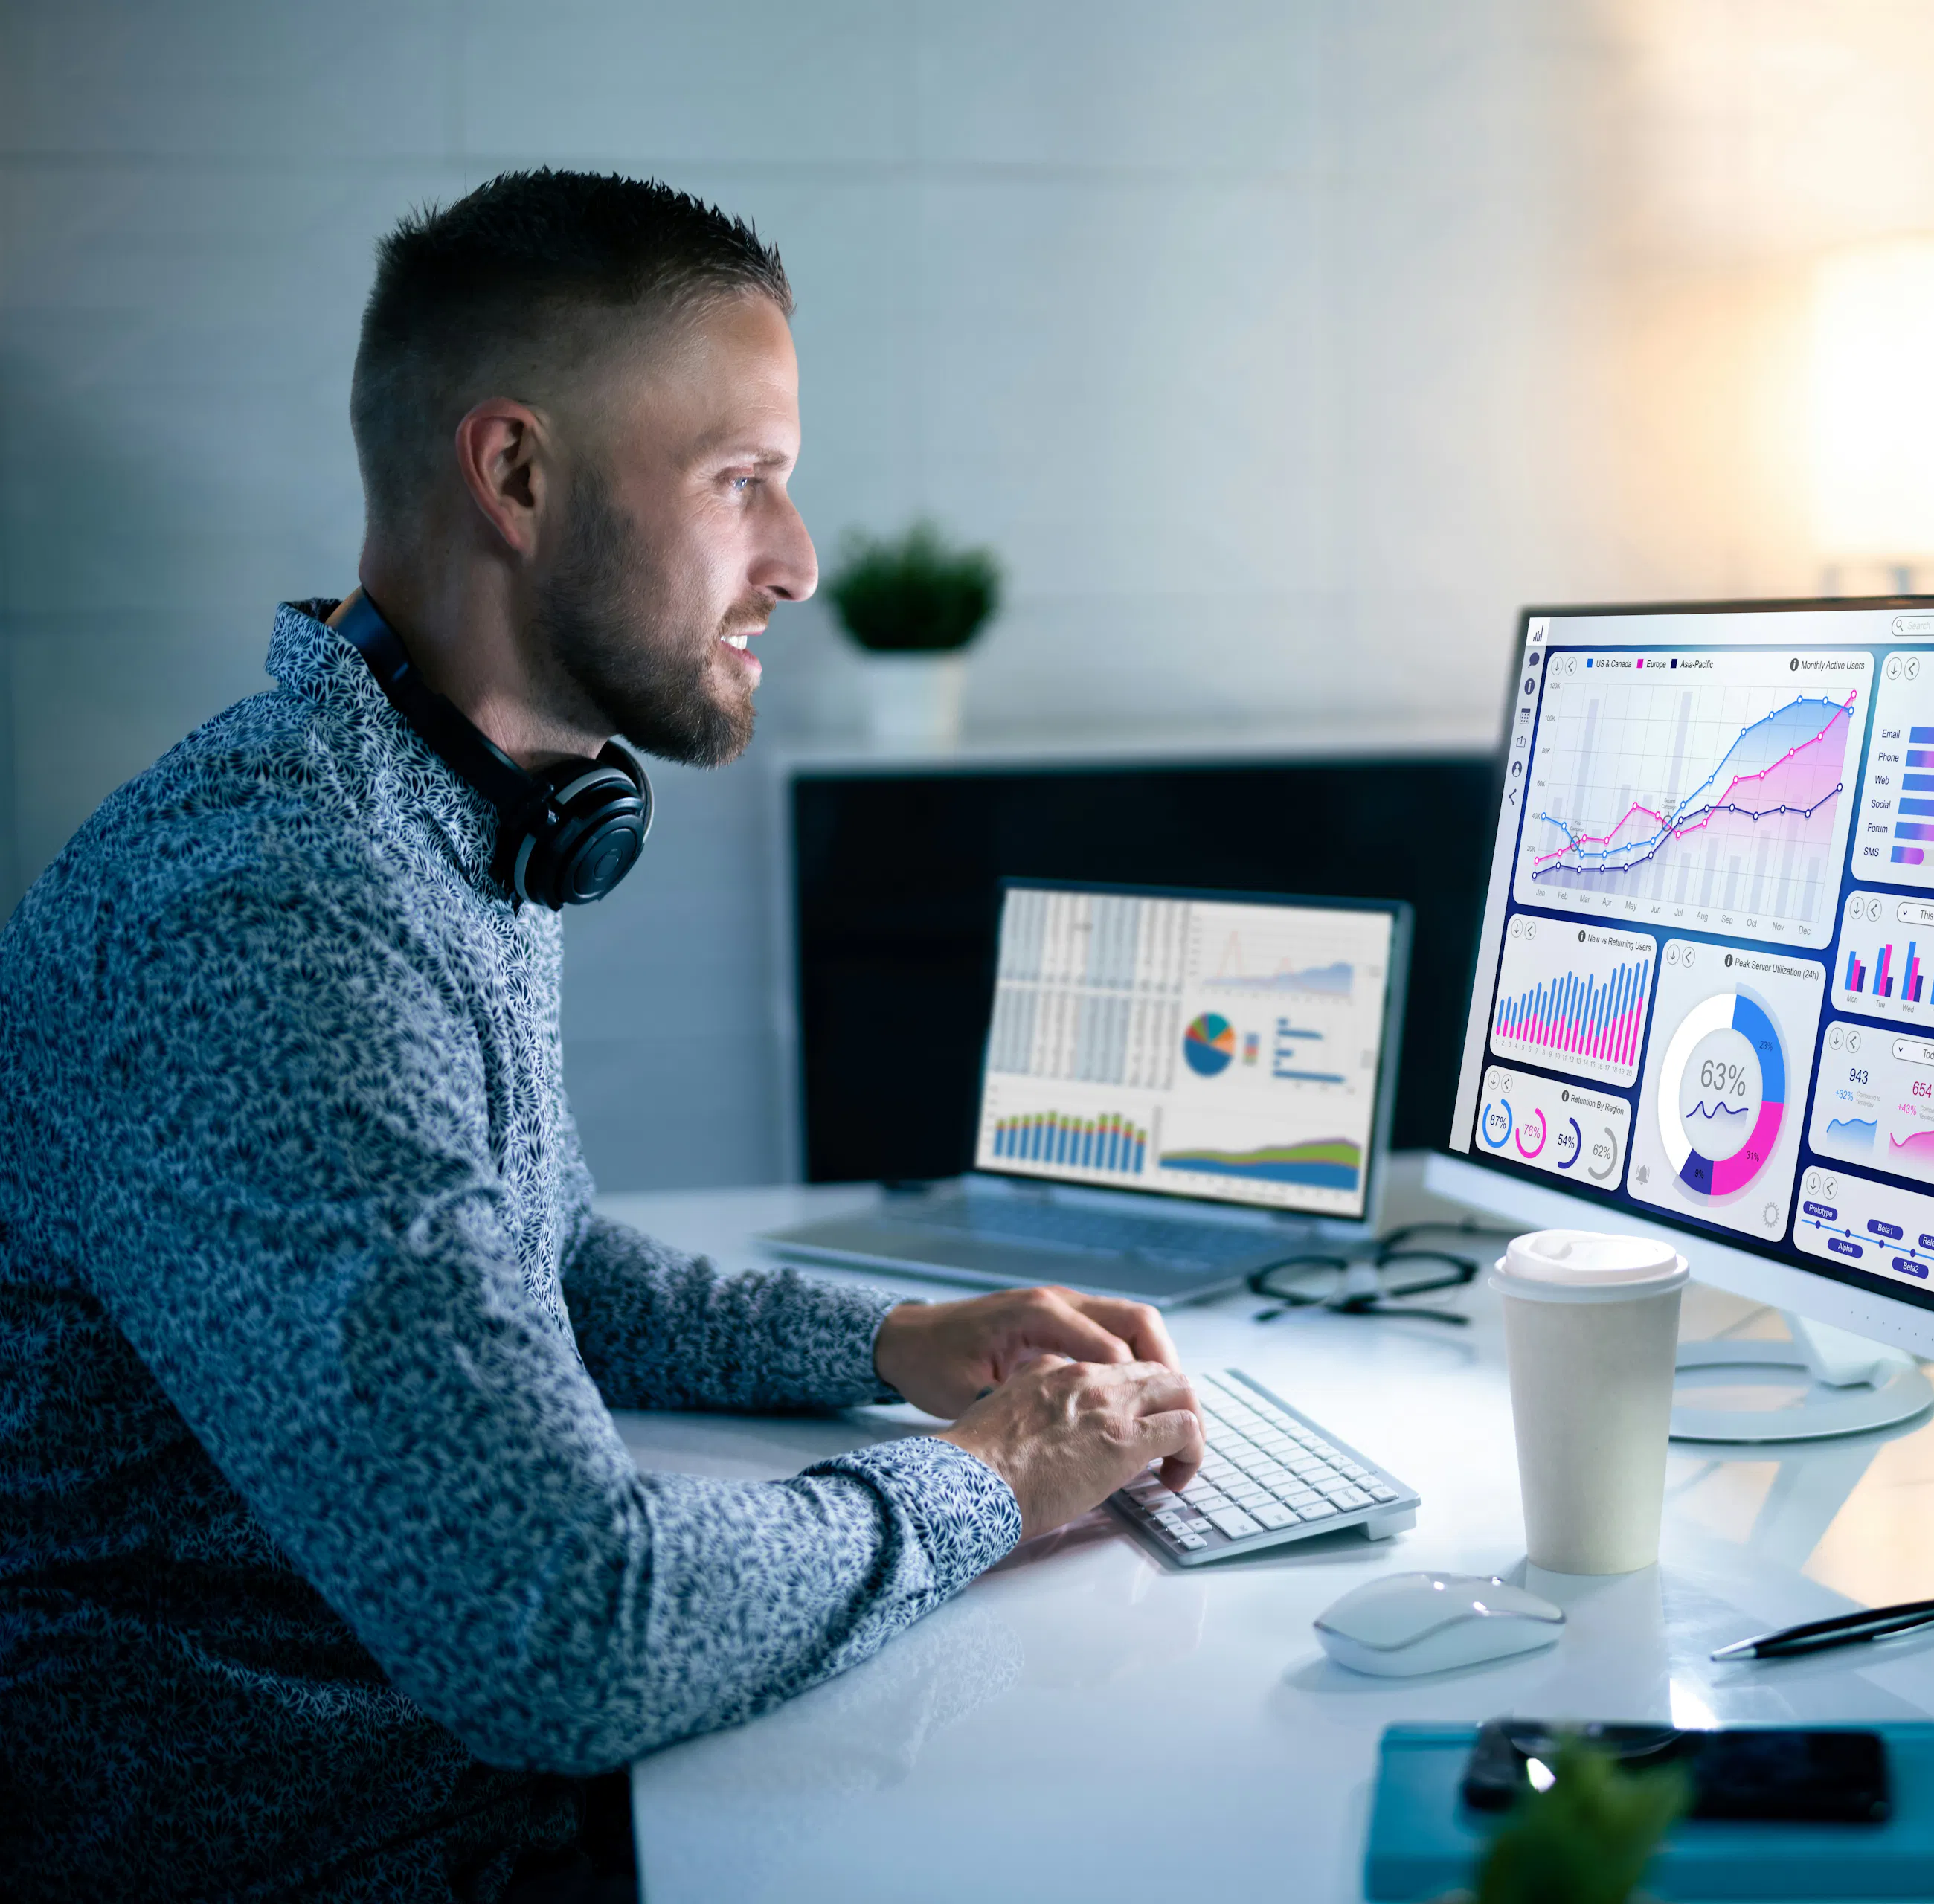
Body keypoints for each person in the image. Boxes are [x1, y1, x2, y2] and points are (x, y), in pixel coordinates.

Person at [0, 170, 1204, 1900]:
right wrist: (999, 1474)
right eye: (745, 482)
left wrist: (903, 1340)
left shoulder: (457, 813)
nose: (796, 560)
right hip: (335, 1850)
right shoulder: (269, 921)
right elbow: (570, 1627)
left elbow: (544, 1261)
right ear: (517, 474)